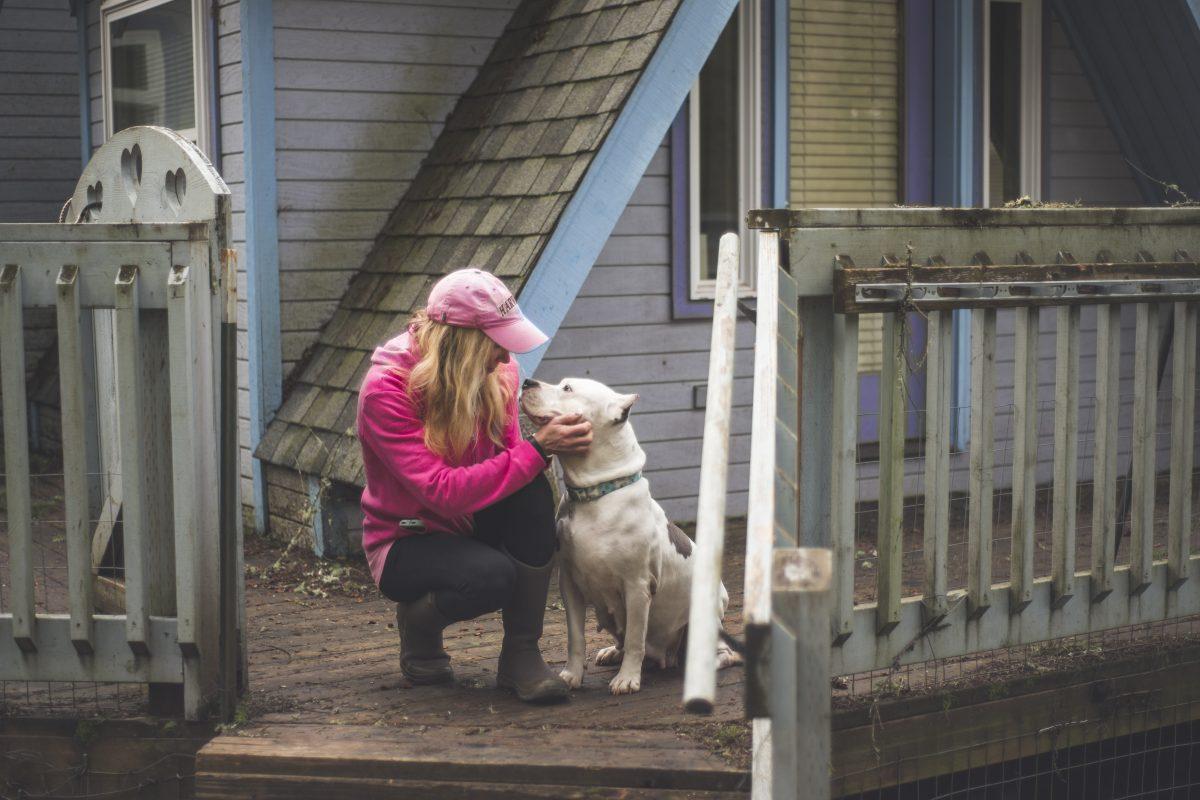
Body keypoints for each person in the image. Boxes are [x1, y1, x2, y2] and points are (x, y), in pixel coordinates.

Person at [356, 268, 592, 704]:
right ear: (462, 344)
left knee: (532, 491)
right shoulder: (385, 391)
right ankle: (420, 625)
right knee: (491, 577)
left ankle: (522, 653)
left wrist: (546, 447)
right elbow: (440, 491)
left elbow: (514, 464)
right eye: (496, 345)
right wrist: (539, 449)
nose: (505, 359)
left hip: (469, 520)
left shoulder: (500, 375)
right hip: (408, 538)